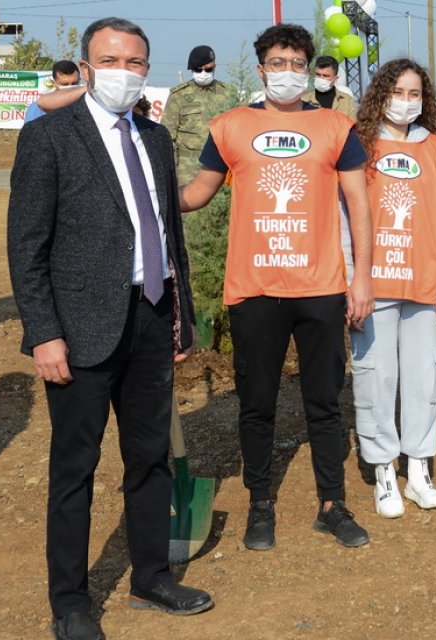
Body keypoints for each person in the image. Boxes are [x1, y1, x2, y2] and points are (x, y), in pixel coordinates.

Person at [7, 17, 213, 640]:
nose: (127, 71)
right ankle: (70, 602)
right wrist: (43, 333)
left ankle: (151, 576)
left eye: (138, 61)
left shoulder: (153, 138)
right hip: (80, 329)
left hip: (149, 317)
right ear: (88, 66)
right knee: (75, 468)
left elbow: (167, 231)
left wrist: (180, 321)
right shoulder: (50, 138)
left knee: (148, 458)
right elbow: (26, 244)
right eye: (113, 60)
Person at [179, 23, 375, 550]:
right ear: (261, 67)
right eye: (277, 62)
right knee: (256, 403)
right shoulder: (229, 127)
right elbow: (198, 192)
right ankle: (259, 505)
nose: (287, 71)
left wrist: (363, 279)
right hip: (255, 289)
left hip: (321, 288)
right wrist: (147, 193)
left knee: (325, 402)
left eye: (296, 63)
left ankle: (332, 505)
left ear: (308, 70)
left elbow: (359, 204)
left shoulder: (337, 128)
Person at [350, 58, 436, 517]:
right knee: (377, 378)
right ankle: (382, 470)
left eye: (415, 93)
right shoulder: (359, 146)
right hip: (373, 284)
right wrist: (348, 276)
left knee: (423, 377)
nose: (406, 101)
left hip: (424, 282)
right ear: (381, 93)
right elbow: (345, 216)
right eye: (398, 91)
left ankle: (418, 468)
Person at [163, 45, 237, 184]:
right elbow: (167, 136)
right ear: (191, 69)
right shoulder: (179, 95)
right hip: (187, 168)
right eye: (198, 69)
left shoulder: (227, 93)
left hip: (220, 164)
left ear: (214, 67)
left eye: (208, 69)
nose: (203, 73)